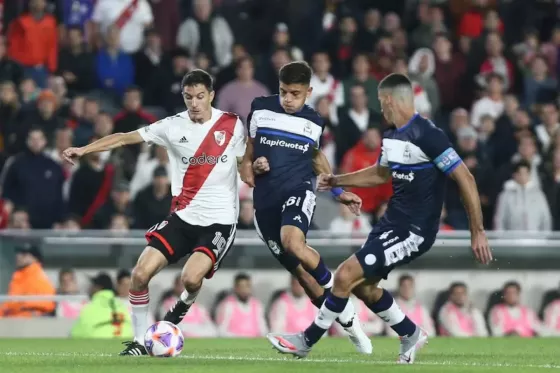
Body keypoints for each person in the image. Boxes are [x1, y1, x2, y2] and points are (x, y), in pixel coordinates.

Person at [266, 73, 492, 363]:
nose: (380, 109)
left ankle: (306, 341)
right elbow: (380, 173)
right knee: (363, 286)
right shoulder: (392, 136)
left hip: (414, 229)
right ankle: (410, 332)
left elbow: (466, 179)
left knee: (345, 275)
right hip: (390, 224)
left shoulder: (428, 135)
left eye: (381, 103)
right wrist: (337, 180)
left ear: (389, 100)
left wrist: (478, 231)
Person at [62, 69, 246, 355]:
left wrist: (256, 173)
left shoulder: (233, 125)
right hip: (183, 217)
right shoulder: (172, 126)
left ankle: (181, 306)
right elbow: (124, 138)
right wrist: (84, 149)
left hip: (220, 222)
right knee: (139, 274)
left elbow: (245, 165)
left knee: (190, 278)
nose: (194, 103)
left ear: (211, 95)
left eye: (200, 96)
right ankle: (138, 342)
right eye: (188, 97)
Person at [239, 61, 372, 354]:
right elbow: (246, 159)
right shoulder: (260, 108)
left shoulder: (314, 121)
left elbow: (315, 157)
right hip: (265, 205)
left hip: (299, 191)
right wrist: (252, 166)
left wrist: (339, 191)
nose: (288, 99)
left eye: (295, 94)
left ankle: (338, 292)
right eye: (284, 92)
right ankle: (349, 323)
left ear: (309, 92)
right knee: (303, 277)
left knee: (293, 242)